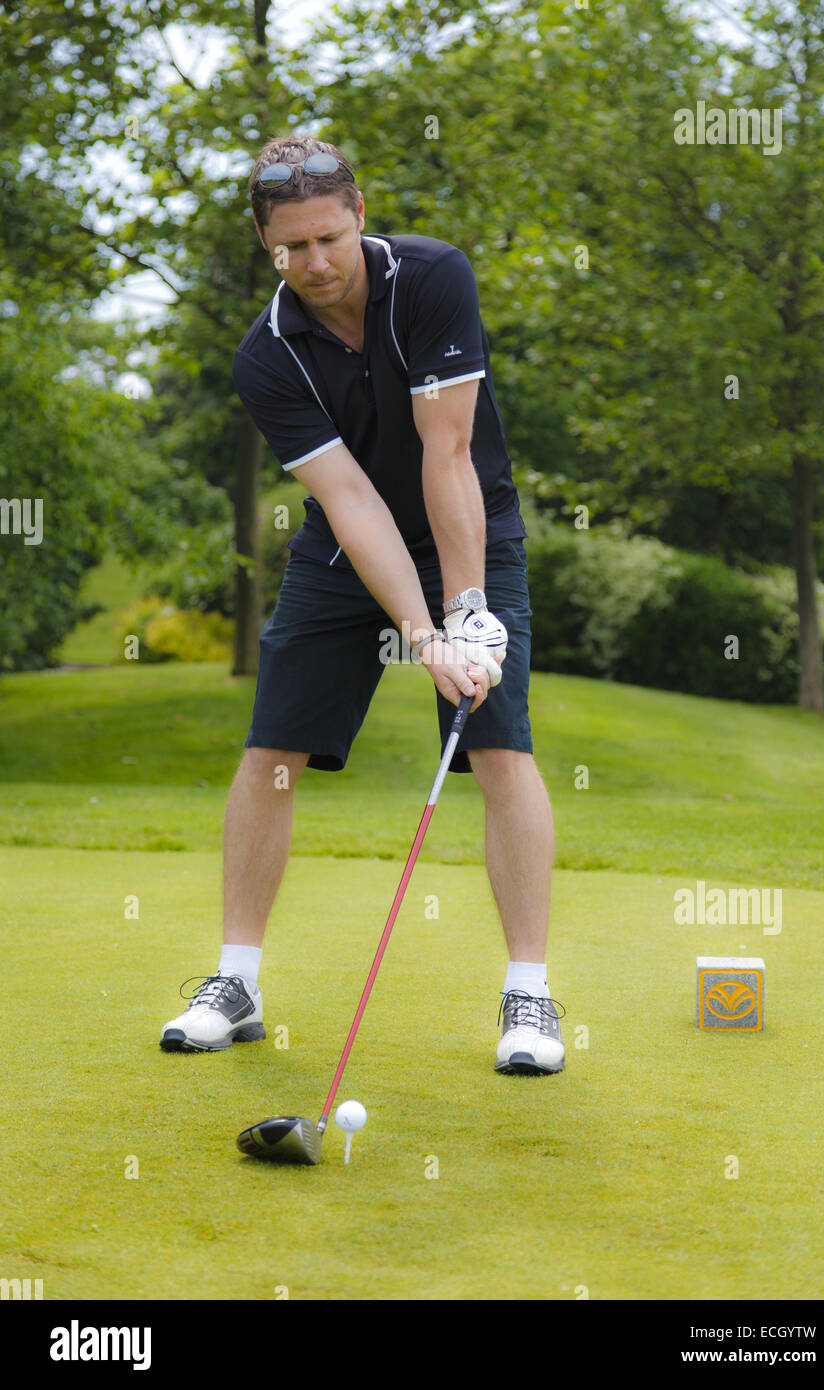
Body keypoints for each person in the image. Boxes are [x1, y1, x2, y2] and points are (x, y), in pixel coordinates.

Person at [160, 135, 564, 1076]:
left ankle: (530, 996)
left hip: (471, 524)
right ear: (267, 243)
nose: (316, 263)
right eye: (291, 247)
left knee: (499, 743)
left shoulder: (431, 279)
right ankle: (237, 981)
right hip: (346, 548)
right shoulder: (267, 355)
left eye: (329, 238)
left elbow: (448, 452)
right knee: (271, 750)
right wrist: (421, 635)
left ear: (360, 216)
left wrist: (465, 610)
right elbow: (352, 500)